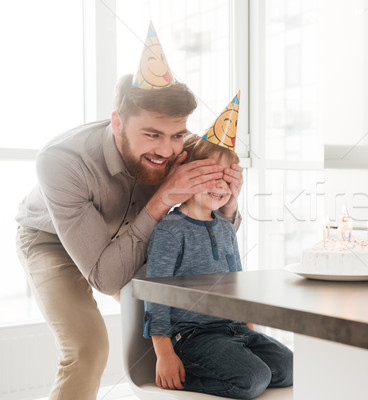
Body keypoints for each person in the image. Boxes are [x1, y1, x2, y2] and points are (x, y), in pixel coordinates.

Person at [14, 23, 244, 400]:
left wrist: (229, 202)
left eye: (176, 134)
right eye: (151, 135)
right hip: (50, 240)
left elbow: (211, 225)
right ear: (117, 121)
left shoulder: (182, 149)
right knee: (87, 349)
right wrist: (162, 199)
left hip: (136, 238)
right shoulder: (63, 161)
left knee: (165, 327)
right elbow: (106, 278)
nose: (168, 150)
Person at [144, 132, 293, 399]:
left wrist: (250, 332)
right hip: (193, 336)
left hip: (233, 329)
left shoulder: (225, 227)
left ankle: (241, 364)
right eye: (212, 177)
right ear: (189, 176)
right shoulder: (170, 230)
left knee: (291, 368)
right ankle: (190, 374)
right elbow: (156, 294)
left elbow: (237, 283)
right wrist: (164, 353)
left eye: (227, 179)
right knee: (254, 380)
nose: (221, 186)